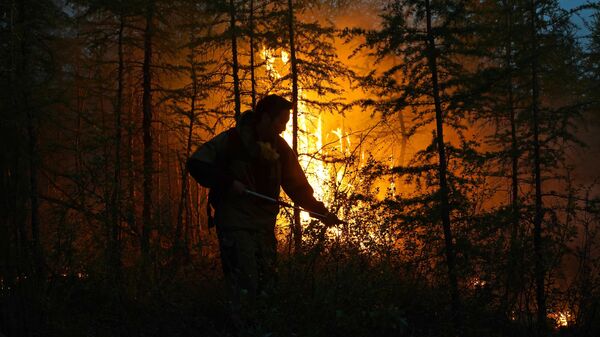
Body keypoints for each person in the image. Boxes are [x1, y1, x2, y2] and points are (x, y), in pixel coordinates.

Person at [186, 94, 340, 326]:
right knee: (245, 283)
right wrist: (228, 182)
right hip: (235, 225)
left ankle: (261, 327)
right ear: (265, 118)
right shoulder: (232, 141)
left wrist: (320, 212)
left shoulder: (280, 149)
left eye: (286, 124)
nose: (283, 129)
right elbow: (196, 163)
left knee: (267, 282)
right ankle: (242, 328)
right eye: (281, 122)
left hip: (263, 228)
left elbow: (297, 187)